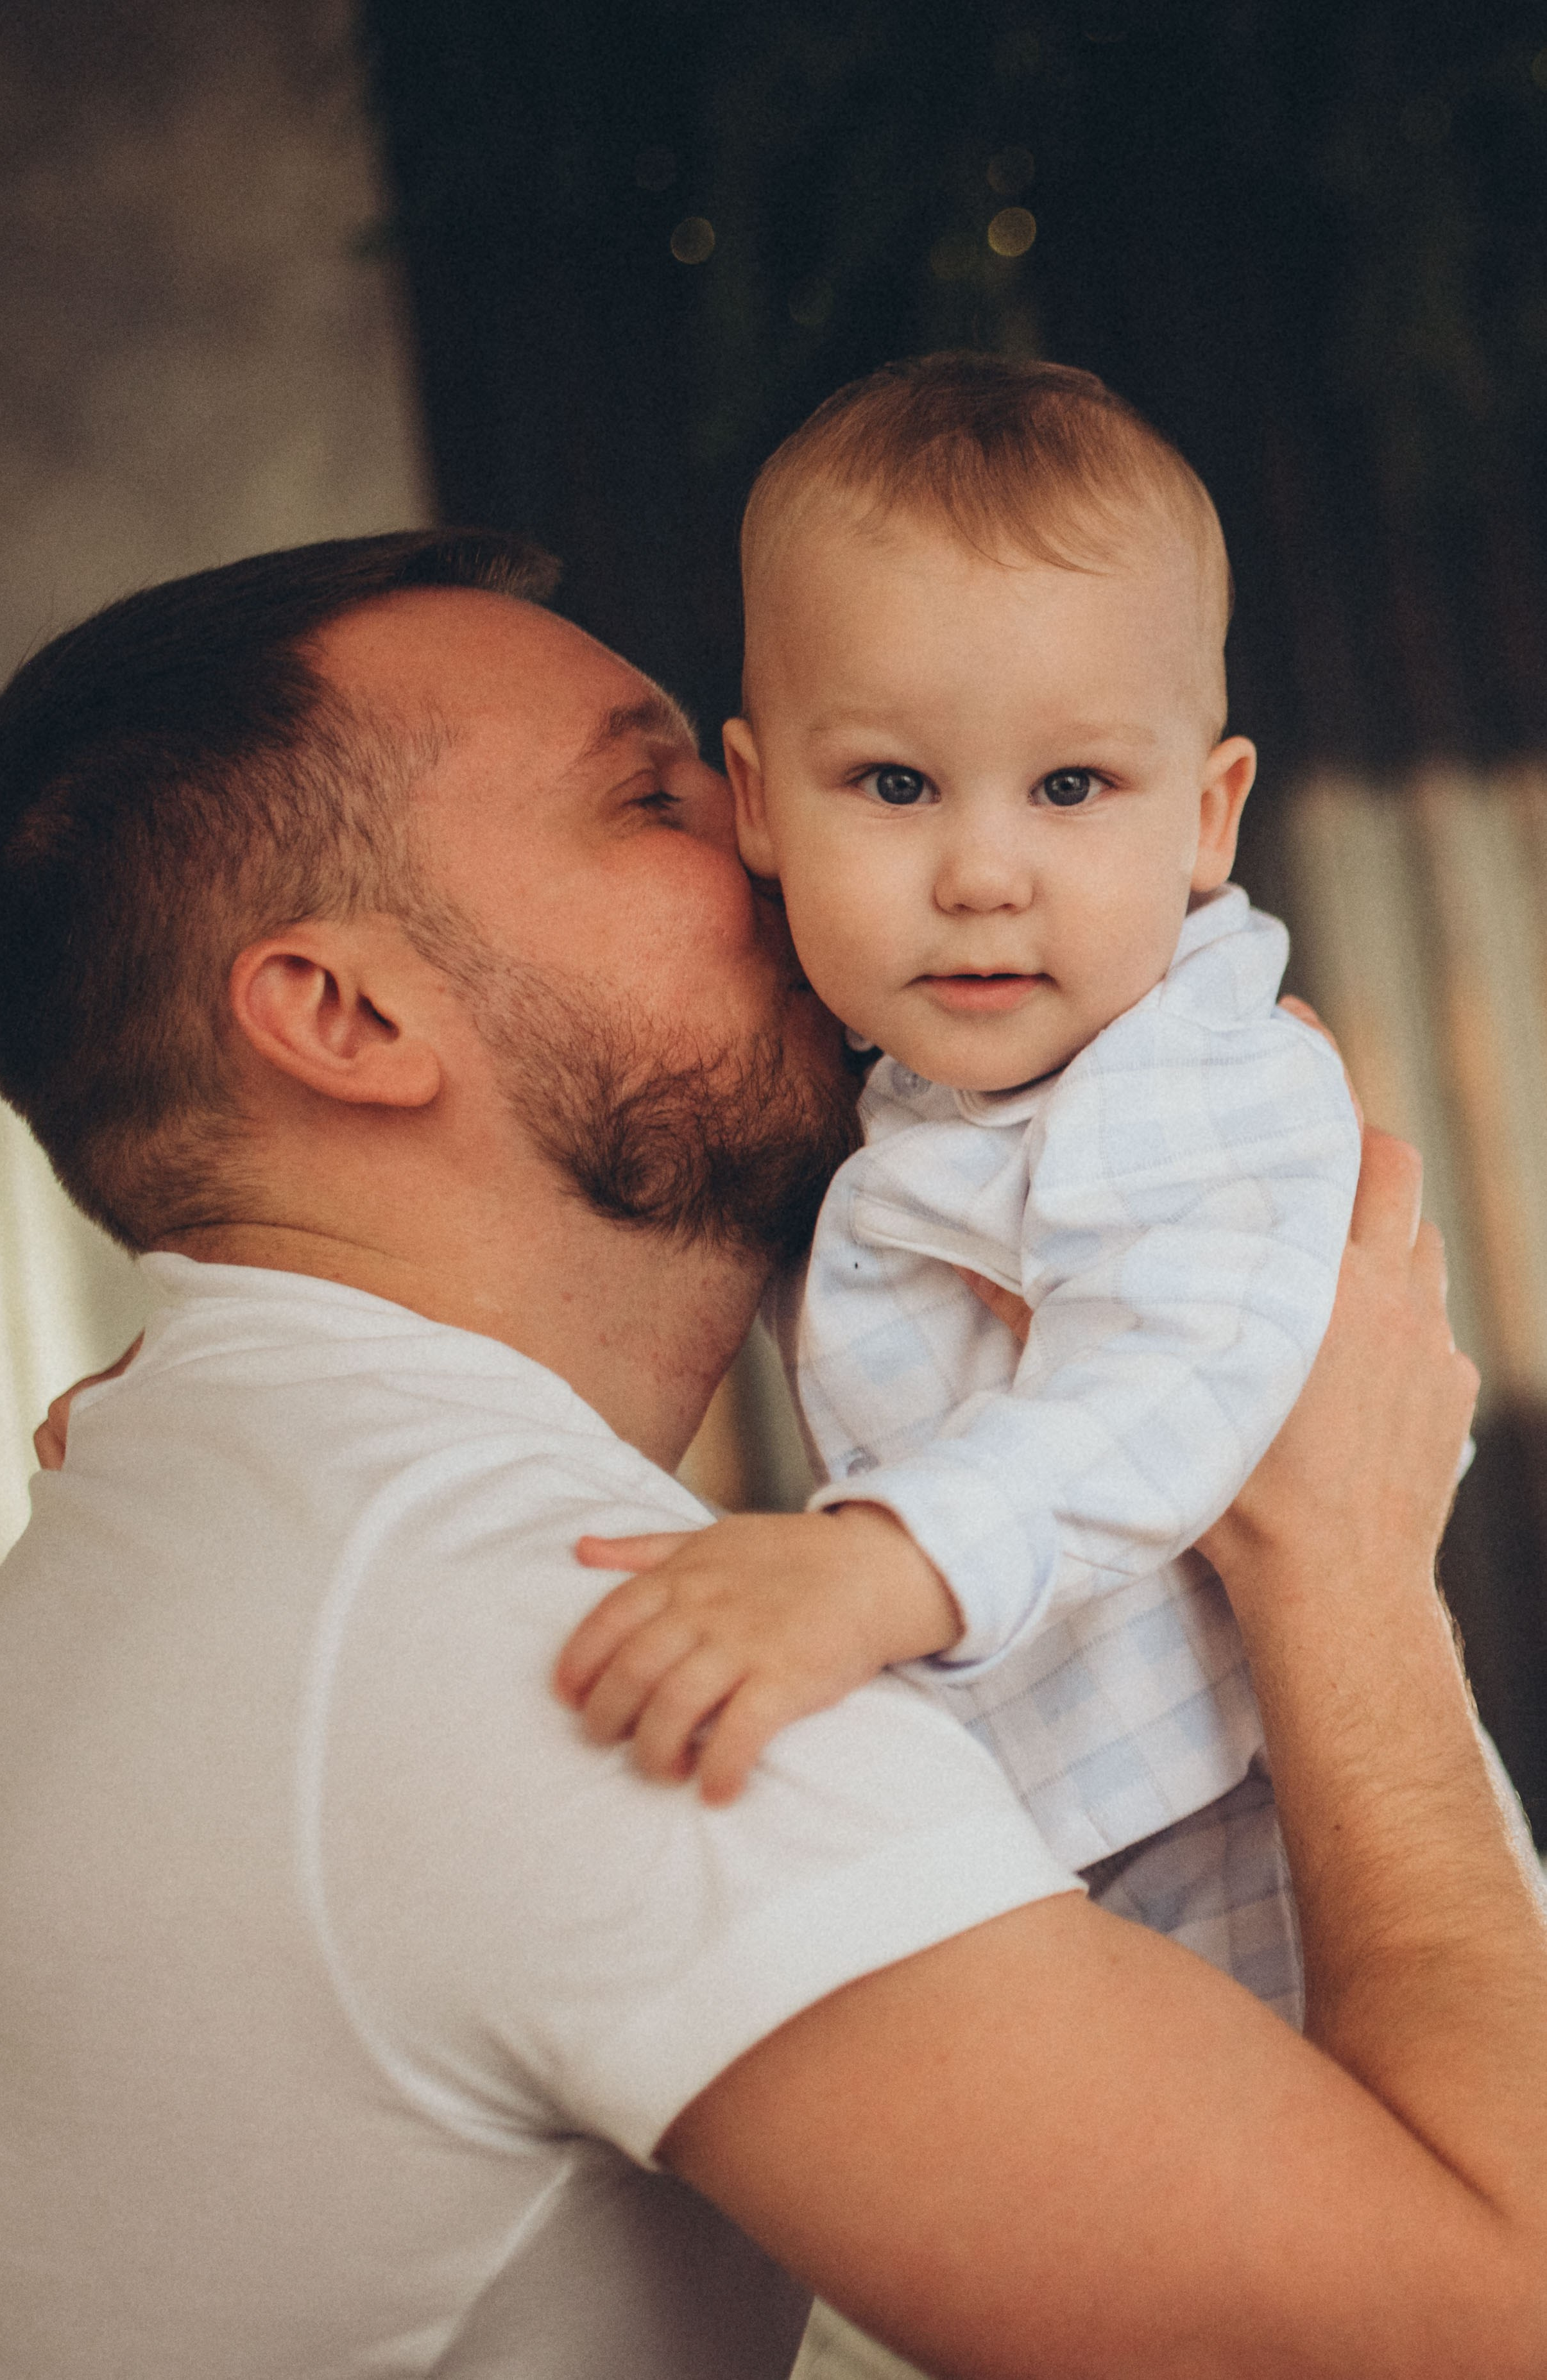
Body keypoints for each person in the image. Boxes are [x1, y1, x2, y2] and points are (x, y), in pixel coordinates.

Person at [0, 530, 1543, 2380]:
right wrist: (1337, 1562)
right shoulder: (596, 1648)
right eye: (655, 800)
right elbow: (1488, 2331)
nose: (792, 843)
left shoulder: (231, 1519)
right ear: (349, 1018)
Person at [557, 357, 1361, 2025]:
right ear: (760, 801)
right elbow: (621, 1245)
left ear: (1207, 814)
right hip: (1050, 1826)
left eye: (1071, 788)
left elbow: (1180, 1372)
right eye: (896, 785)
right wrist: (311, 1351)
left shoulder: (1200, 1069)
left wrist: (882, 1565)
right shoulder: (867, 1077)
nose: (983, 874)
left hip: (1249, 1827)